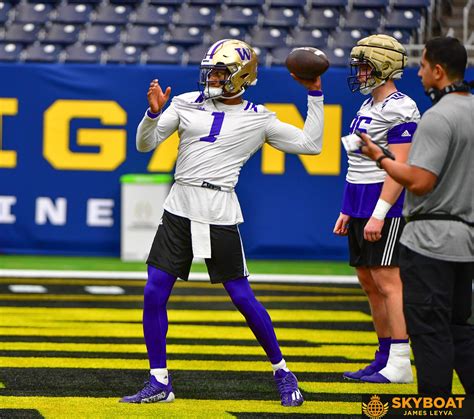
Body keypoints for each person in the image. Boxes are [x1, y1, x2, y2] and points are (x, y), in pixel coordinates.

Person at [120, 39, 325, 406]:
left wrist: (315, 95)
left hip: (219, 208)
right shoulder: (184, 102)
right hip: (180, 203)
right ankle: (159, 381)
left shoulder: (259, 117)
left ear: (241, 76)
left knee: (242, 297)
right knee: (154, 291)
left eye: (220, 71)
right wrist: (151, 115)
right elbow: (143, 146)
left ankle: (283, 371)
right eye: (210, 70)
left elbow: (311, 145)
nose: (212, 77)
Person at [359, 36, 474, 394]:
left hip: (430, 239)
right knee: (460, 329)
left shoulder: (438, 116)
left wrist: (381, 158)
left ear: (438, 71)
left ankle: (433, 404)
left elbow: (421, 182)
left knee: (429, 330)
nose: (419, 73)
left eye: (423, 66)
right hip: (466, 239)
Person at [333, 34, 420, 383]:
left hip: (385, 203)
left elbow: (401, 165)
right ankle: (384, 356)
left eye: (365, 66)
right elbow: (357, 164)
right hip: (359, 201)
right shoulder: (368, 105)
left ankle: (400, 361)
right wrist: (347, 208)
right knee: (369, 281)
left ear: (384, 65)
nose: (360, 73)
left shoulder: (402, 106)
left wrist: (379, 213)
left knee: (388, 281)